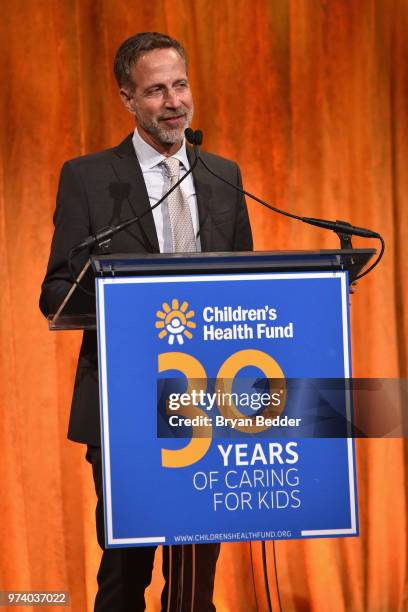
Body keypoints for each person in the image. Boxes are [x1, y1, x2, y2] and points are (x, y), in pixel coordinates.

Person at [40, 32, 253, 611]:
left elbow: (247, 286)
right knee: (124, 577)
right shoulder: (88, 177)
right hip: (124, 406)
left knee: (193, 587)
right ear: (128, 100)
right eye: (155, 90)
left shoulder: (222, 175)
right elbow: (56, 289)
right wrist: (124, 306)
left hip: (210, 404)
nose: (174, 101)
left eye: (180, 84)